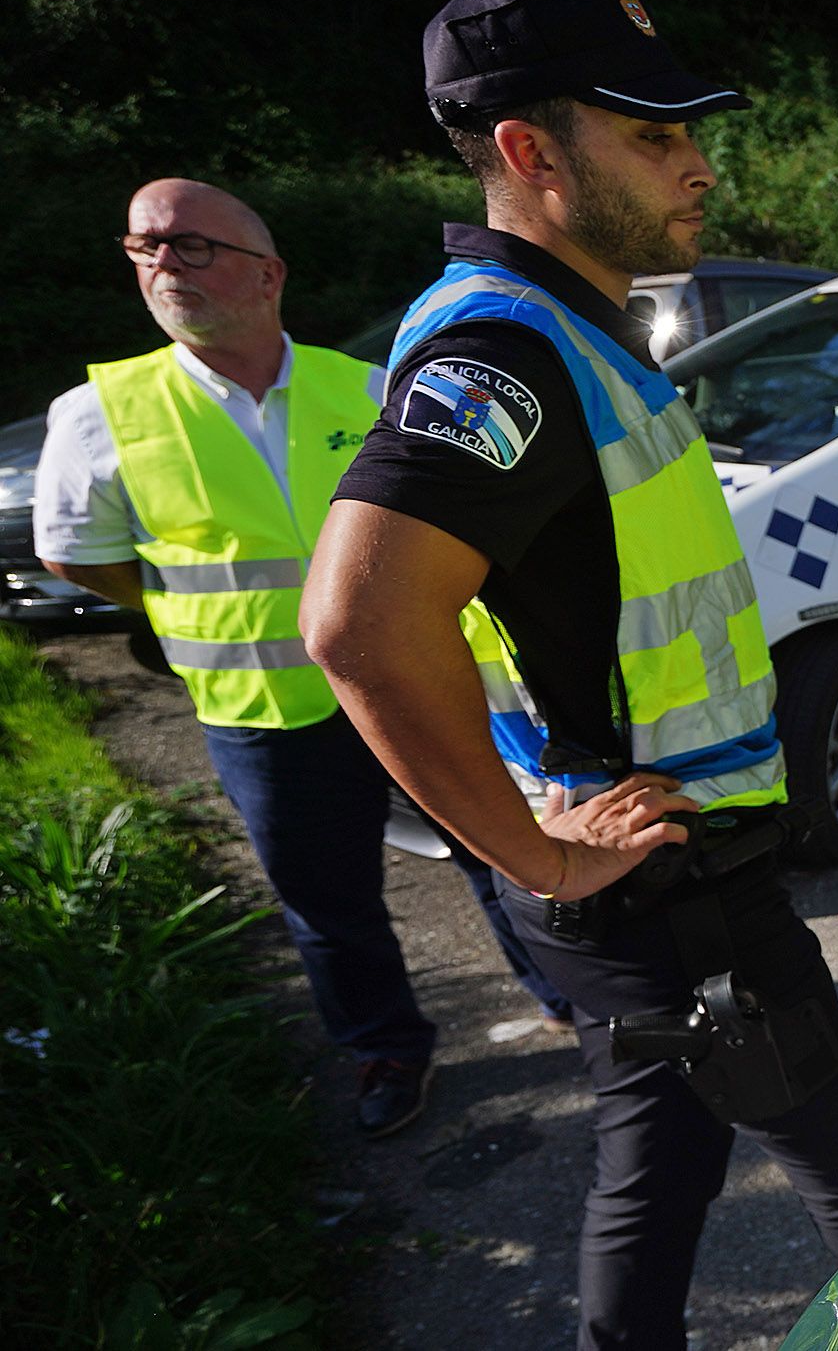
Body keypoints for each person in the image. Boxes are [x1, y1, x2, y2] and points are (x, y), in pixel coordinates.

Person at [300, 0, 838, 1350]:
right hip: (666, 891)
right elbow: (356, 624)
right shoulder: (504, 347)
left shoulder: (571, 326)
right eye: (650, 136)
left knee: (661, 1167)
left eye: (690, 130)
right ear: (530, 153)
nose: (698, 163)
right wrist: (539, 856)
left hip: (663, 877)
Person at [33, 178, 560, 1139]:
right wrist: (180, 607)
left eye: (190, 245)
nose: (161, 263)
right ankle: (386, 1048)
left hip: (410, 681)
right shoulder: (99, 412)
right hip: (262, 710)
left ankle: (564, 995)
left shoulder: (360, 384)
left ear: (267, 273)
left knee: (493, 847)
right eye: (143, 246)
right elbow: (73, 553)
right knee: (329, 904)